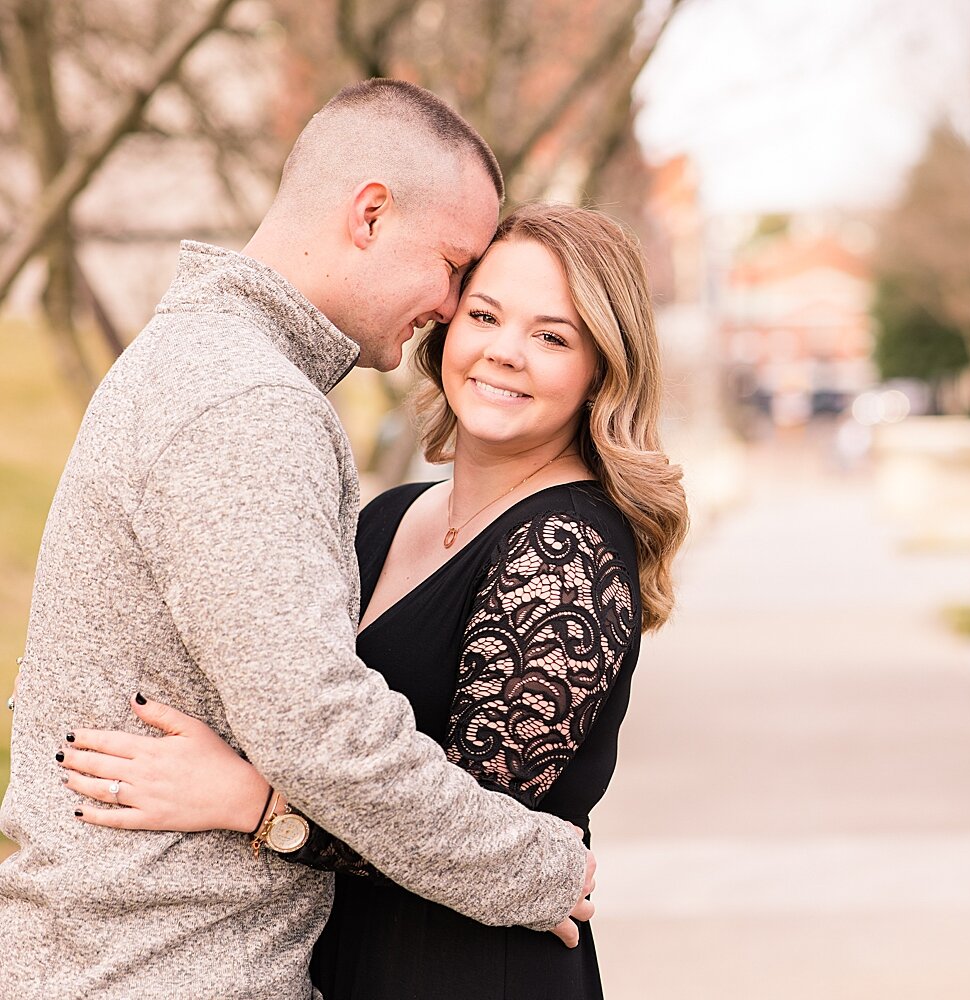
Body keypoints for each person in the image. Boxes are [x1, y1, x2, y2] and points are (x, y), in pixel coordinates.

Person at [0, 82, 597, 999]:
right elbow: (317, 724)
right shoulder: (250, 401)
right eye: (451, 265)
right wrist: (537, 870)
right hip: (165, 968)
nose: (450, 302)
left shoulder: (202, 360)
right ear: (369, 215)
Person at [59, 202, 689, 999]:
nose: (505, 353)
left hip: (466, 968)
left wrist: (254, 805)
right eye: (485, 315)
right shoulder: (389, 518)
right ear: (445, 328)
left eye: (552, 336)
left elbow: (475, 832)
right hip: (331, 955)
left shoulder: (564, 548)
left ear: (604, 369)